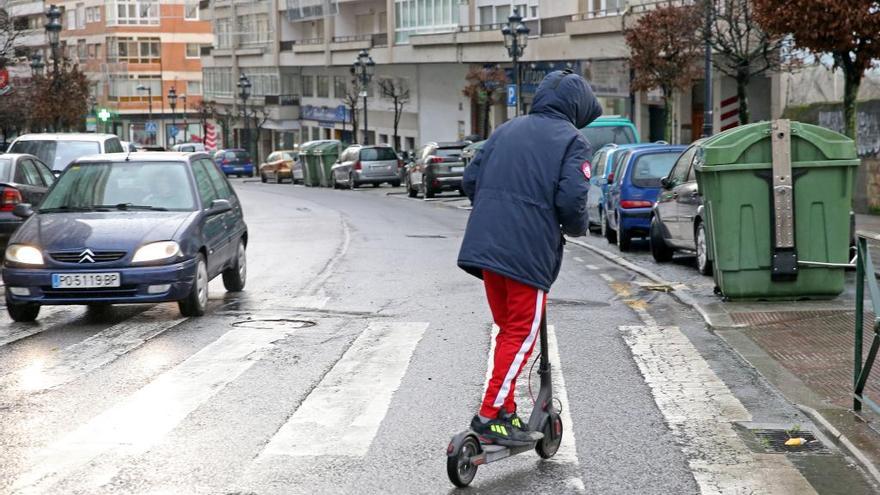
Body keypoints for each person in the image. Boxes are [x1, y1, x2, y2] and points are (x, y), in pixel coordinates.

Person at [457, 70, 602, 446]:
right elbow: (571, 201)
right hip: (527, 251)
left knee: (507, 331)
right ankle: (490, 414)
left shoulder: (505, 129)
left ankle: (505, 410)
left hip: (487, 247)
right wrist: (575, 228)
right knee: (522, 334)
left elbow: (470, 178)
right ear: (576, 107)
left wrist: (493, 210)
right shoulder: (573, 140)